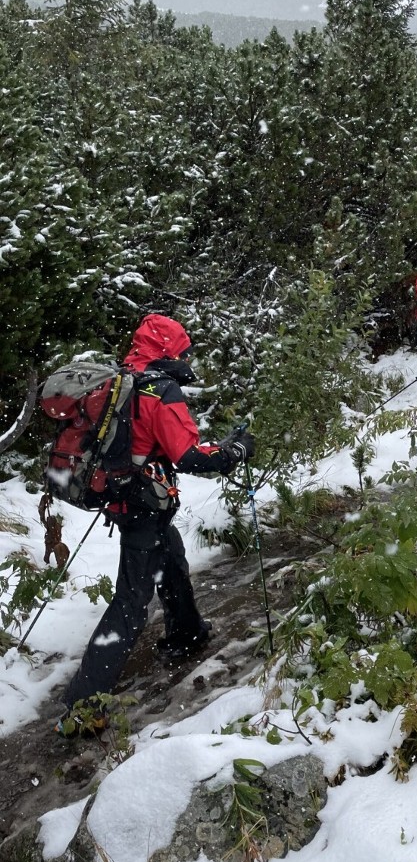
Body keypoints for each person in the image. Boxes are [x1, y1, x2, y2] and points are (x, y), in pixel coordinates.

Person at [57, 313, 256, 732]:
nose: (185, 356)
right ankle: (84, 704)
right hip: (142, 505)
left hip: (128, 499)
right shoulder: (158, 390)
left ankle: (186, 634)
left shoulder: (120, 380)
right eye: (182, 349)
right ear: (170, 351)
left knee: (172, 560)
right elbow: (190, 456)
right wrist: (235, 450)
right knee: (131, 600)